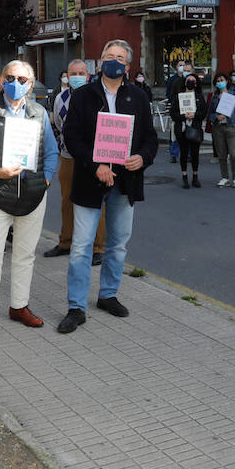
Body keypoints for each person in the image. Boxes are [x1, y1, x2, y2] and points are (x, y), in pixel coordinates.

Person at [58, 39, 158, 333]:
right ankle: (76, 307)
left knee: (117, 244)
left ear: (127, 66)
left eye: (120, 58)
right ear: (100, 61)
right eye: (109, 56)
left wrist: (143, 157)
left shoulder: (138, 97)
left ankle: (108, 295)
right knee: (81, 246)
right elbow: (72, 137)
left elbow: (150, 138)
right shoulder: (83, 95)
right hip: (91, 180)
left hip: (125, 182)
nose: (114, 61)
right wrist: (96, 165)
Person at [0, 60, 58, 344]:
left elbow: (51, 151)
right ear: (2, 80)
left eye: (22, 79)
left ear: (30, 85)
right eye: (10, 77)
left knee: (25, 255)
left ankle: (19, 306)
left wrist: (46, 180)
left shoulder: (39, 113)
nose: (15, 83)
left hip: (33, 194)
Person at [45, 59, 105, 264]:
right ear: (67, 77)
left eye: (81, 73)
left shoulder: (97, 96)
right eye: (73, 73)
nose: (77, 76)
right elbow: (59, 125)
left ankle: (98, 247)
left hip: (94, 158)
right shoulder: (60, 98)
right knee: (67, 201)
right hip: (68, 156)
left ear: (87, 76)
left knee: (97, 202)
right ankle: (66, 242)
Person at [168, 67, 206, 188]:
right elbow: (173, 113)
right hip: (182, 128)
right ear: (185, 82)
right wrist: (183, 116)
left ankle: (195, 176)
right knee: (183, 153)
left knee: (195, 154)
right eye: (188, 80)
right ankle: (184, 176)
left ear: (196, 84)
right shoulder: (179, 97)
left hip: (195, 128)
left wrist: (195, 115)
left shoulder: (199, 97)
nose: (190, 82)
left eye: (193, 81)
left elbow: (203, 113)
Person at [207, 72, 235, 188]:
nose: (220, 83)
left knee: (234, 155)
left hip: (231, 127)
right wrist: (215, 117)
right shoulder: (214, 97)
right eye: (218, 81)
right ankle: (225, 177)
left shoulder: (234, 95)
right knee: (222, 155)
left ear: (227, 81)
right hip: (218, 128)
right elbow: (210, 113)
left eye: (222, 80)